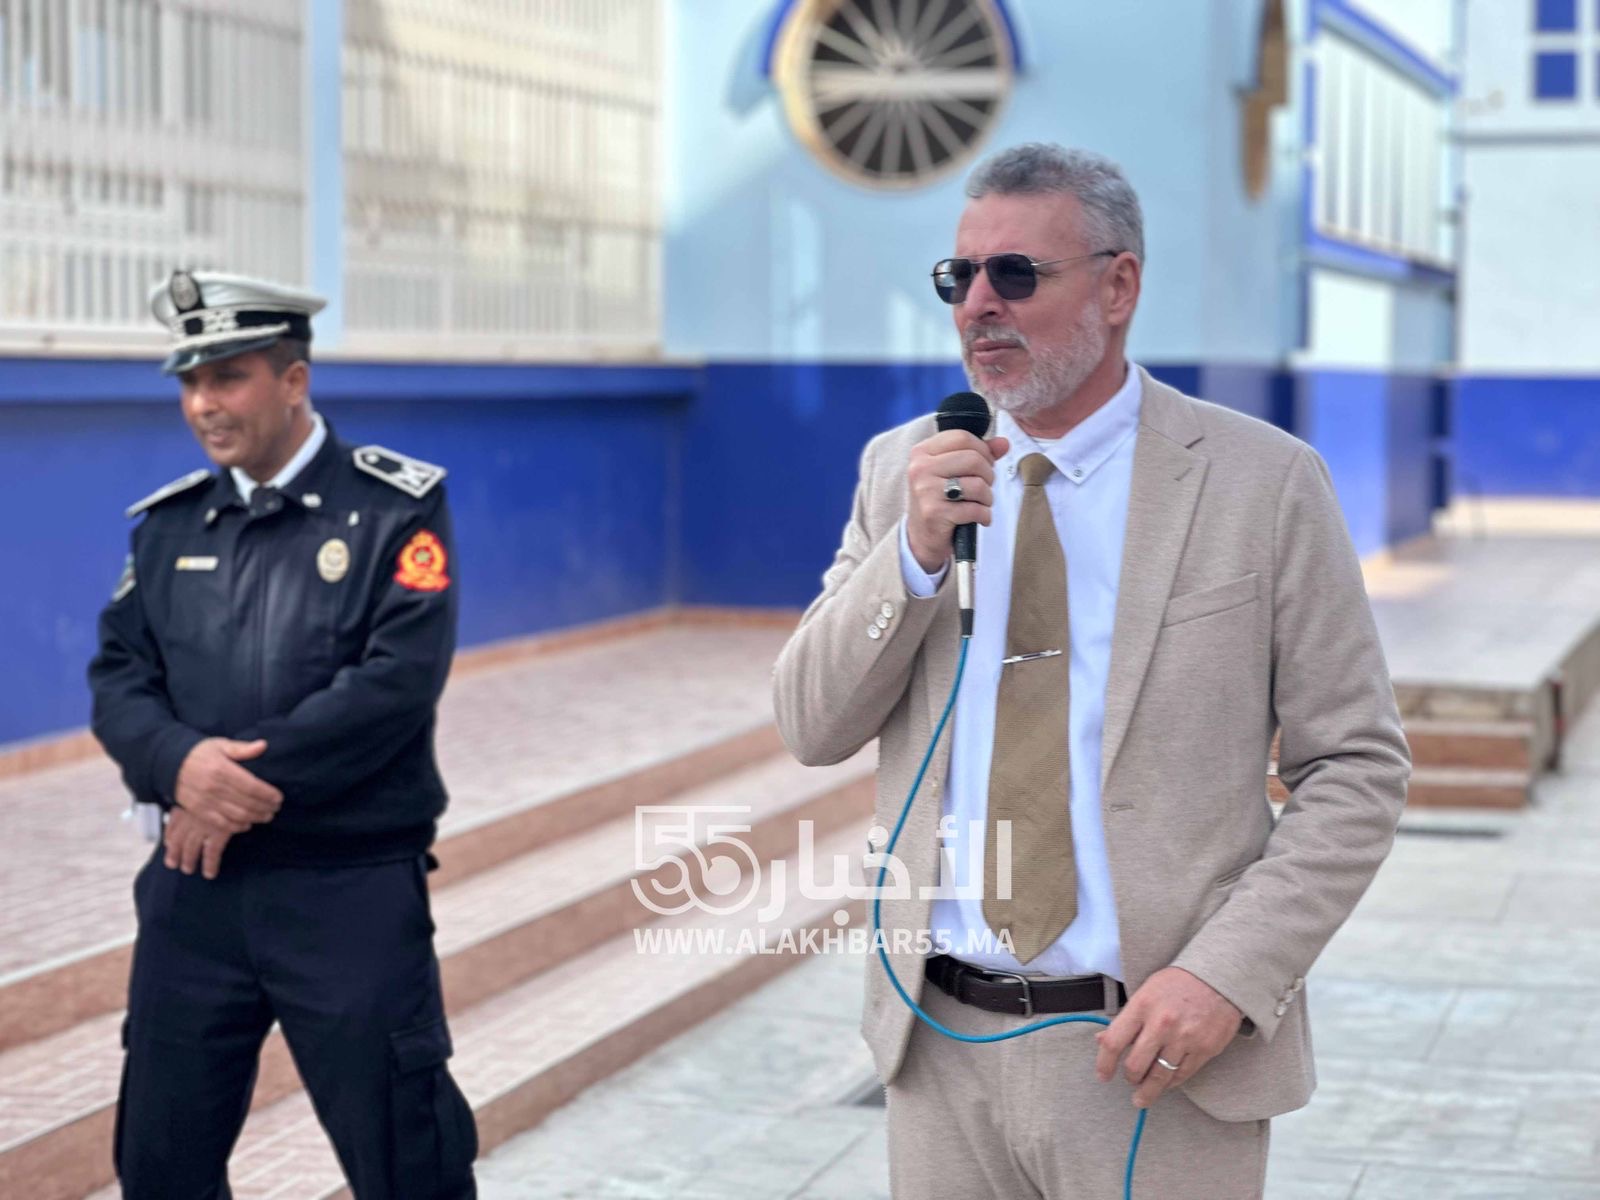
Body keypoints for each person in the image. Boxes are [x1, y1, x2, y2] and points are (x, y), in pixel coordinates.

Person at [772, 144, 1410, 1197]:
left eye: (1015, 274)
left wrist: (1228, 975)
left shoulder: (1262, 483)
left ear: (1118, 288)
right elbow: (810, 723)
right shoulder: (904, 472)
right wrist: (913, 556)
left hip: (1156, 1058)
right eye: (959, 276)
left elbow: (1356, 767)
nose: (979, 304)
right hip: (940, 1049)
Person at [88, 270, 477, 1198]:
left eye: (227, 377)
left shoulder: (395, 507)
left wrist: (222, 793)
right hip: (195, 891)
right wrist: (178, 764)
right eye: (190, 382)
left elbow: (393, 685)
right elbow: (119, 678)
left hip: (345, 885)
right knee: (160, 1164)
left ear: (293, 380)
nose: (203, 404)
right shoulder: (168, 526)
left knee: (406, 1161)